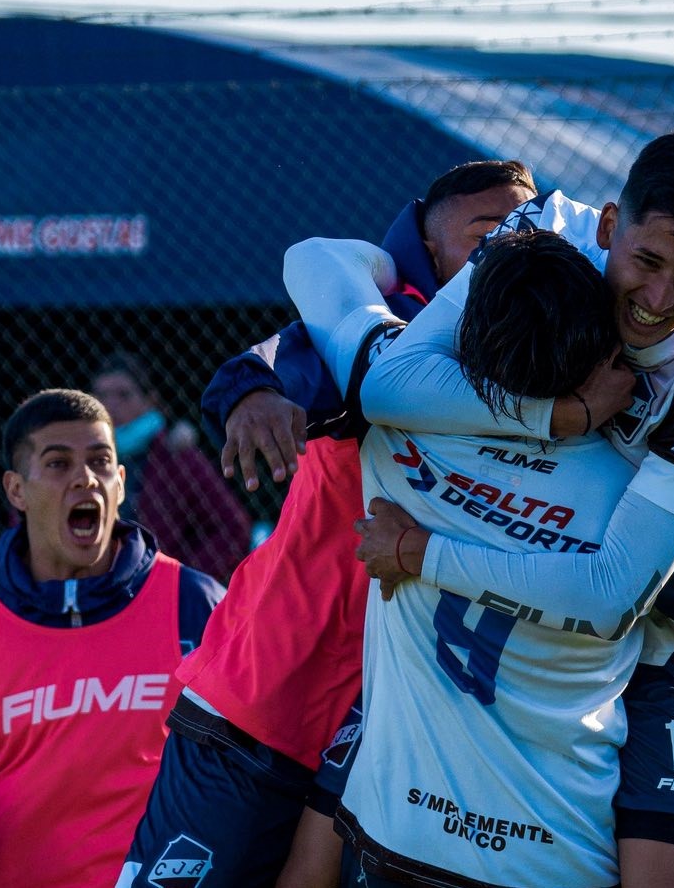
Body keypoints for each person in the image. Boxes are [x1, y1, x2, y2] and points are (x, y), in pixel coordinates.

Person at [293, 125, 674, 887]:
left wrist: (421, 554)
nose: (659, 301)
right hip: (577, 591)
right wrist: (560, 417)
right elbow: (385, 385)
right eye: (646, 261)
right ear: (606, 228)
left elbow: (615, 597)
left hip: (646, 605)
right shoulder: (539, 233)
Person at [118, 160, 538, 888]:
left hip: (396, 730)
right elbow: (279, 360)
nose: (510, 249)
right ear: (430, 253)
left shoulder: (545, 362)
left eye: (524, 232)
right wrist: (255, 392)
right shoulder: (383, 336)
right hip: (263, 704)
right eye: (487, 233)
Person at [0, 389, 224, 888]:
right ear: (16, 491)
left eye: (101, 462)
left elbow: (250, 768)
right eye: (59, 464)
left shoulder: (195, 605)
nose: (85, 478)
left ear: (121, 482)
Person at [91, 351, 252, 582]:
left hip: (157, 587)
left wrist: (179, 577)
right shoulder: (81, 458)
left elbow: (233, 528)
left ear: (150, 401)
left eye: (124, 395)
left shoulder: (175, 454)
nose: (111, 405)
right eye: (101, 395)